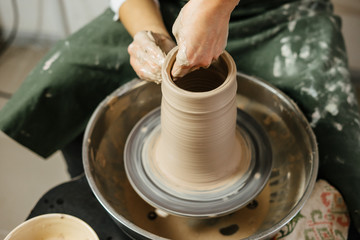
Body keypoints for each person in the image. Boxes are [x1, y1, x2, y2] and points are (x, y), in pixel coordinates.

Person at [0, 0, 359, 238]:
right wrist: (149, 31)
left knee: (348, 162)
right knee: (61, 83)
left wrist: (214, 5)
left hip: (285, 12)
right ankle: (86, 184)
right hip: (171, 8)